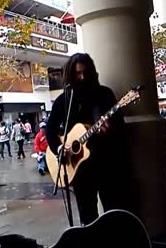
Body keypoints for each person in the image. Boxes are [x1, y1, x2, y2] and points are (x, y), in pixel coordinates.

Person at [45, 53, 137, 226]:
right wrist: (58, 148)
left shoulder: (104, 94)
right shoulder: (64, 99)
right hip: (80, 171)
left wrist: (109, 129)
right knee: (87, 218)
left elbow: (120, 128)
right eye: (78, 74)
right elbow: (50, 129)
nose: (82, 77)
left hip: (106, 165)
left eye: (85, 73)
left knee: (114, 214)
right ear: (71, 75)